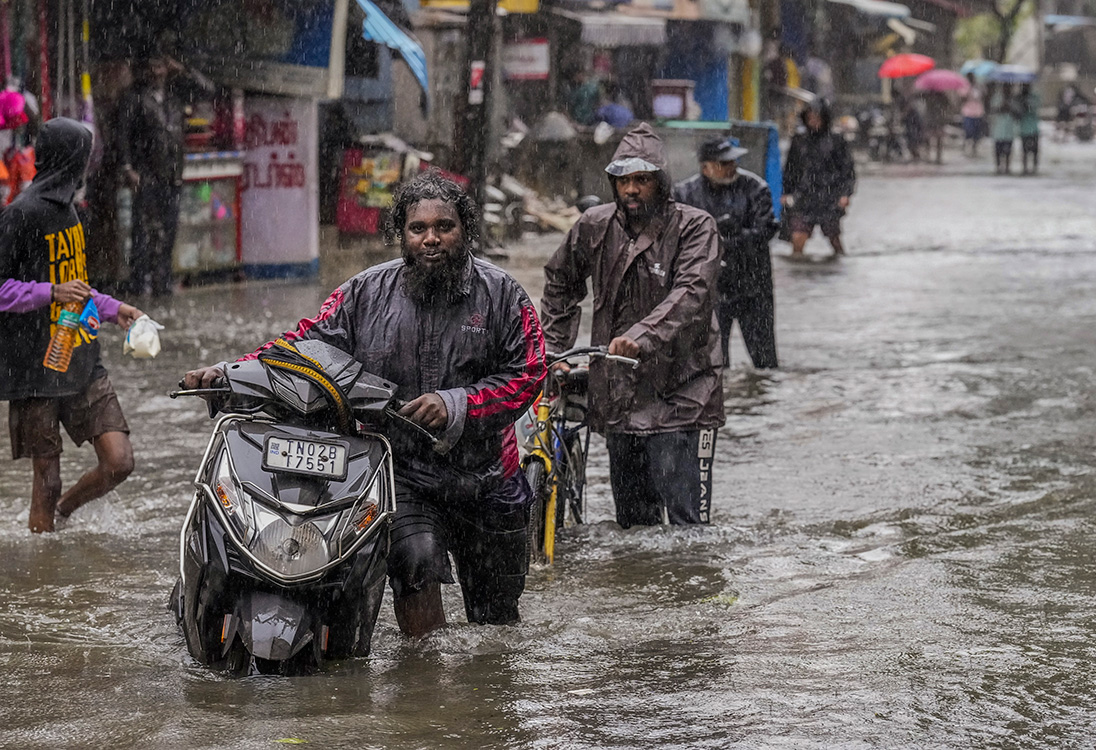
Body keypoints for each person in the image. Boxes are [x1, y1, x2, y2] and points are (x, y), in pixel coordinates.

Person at [183, 172, 546, 636]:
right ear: (402, 235)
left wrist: (457, 404)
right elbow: (300, 346)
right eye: (418, 229)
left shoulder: (504, 296)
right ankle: (427, 693)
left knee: (498, 629)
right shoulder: (364, 294)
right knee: (415, 570)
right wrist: (229, 372)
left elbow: (530, 373)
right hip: (404, 475)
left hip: (489, 476)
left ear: (465, 230)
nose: (431, 239)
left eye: (444, 227)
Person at [541, 122, 725, 528]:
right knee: (633, 532)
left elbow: (690, 295)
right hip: (620, 397)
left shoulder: (696, 227)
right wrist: (554, 349)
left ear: (660, 182)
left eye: (642, 179)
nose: (632, 189)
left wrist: (640, 337)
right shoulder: (594, 225)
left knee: (686, 531)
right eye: (623, 179)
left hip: (684, 393)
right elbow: (560, 282)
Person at [0, 118, 143, 533]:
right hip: (33, 368)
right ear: (69, 161)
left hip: (80, 356)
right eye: (84, 158)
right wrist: (48, 293)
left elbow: (75, 286)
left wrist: (116, 309)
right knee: (46, 480)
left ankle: (64, 512)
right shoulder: (18, 216)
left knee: (119, 461)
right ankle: (43, 581)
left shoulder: (71, 215)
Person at [673, 137, 779, 369]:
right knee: (713, 364)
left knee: (765, 362)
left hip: (753, 286)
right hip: (711, 289)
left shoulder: (755, 187)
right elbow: (678, 241)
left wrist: (733, 237)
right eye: (723, 163)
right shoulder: (685, 194)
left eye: (732, 161)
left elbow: (766, 230)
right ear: (705, 167)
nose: (730, 167)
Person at [115, 52, 213, 297]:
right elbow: (123, 135)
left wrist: (185, 70)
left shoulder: (174, 97)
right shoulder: (135, 98)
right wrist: (128, 167)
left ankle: (162, 280)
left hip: (172, 172)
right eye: (152, 67)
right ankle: (140, 281)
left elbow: (208, 90)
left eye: (161, 67)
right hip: (146, 173)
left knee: (169, 229)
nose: (156, 72)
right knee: (143, 230)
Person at [783, 99, 856, 258]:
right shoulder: (799, 141)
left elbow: (847, 170)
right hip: (804, 195)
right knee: (798, 237)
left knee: (834, 238)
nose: (813, 121)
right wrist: (786, 192)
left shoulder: (836, 141)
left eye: (817, 117)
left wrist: (845, 194)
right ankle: (799, 266)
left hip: (829, 195)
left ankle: (839, 258)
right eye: (810, 117)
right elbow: (790, 169)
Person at [990, 83, 1018, 175]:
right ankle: (998, 167)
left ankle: (1007, 167)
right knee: (998, 150)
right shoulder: (997, 98)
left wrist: (1010, 108)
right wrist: (1001, 107)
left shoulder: (1014, 100)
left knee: (1008, 150)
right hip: (998, 129)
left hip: (1009, 129)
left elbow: (1017, 113)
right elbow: (992, 109)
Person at [1018, 83, 1041, 175]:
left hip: (1033, 128)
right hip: (1024, 129)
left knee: (1035, 151)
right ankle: (1025, 168)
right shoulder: (1019, 98)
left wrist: (1027, 105)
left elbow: (1035, 108)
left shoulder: (1034, 98)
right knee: (1024, 151)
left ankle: (1034, 168)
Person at [961, 72, 986, 157]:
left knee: (977, 131)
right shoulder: (965, 87)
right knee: (968, 130)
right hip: (968, 112)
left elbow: (983, 96)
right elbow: (962, 98)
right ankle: (965, 146)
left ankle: (974, 148)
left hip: (978, 112)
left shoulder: (978, 87)